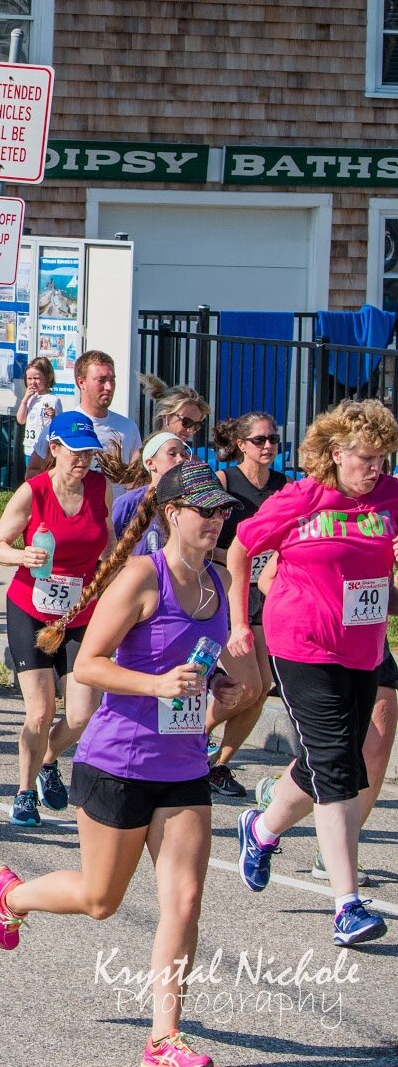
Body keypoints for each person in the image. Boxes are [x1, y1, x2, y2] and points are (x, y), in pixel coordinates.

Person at [0, 461, 247, 1067]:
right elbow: (89, 666)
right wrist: (156, 687)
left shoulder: (214, 583)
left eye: (222, 511)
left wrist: (221, 688)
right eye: (203, 510)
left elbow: (198, 661)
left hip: (182, 766)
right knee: (101, 900)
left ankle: (164, 1037)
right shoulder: (139, 577)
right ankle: (12, 894)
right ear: (171, 514)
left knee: (183, 901)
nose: (215, 520)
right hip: (118, 761)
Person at [229, 399, 398, 947]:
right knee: (335, 764)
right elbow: (241, 548)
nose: (376, 468)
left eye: (383, 458)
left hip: (362, 645)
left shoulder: (391, 498)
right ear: (335, 453)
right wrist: (238, 624)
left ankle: (261, 829)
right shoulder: (302, 498)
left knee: (332, 758)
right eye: (367, 458)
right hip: (301, 640)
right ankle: (346, 905)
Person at [0, 410, 112, 826]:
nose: (83, 460)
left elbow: (108, 546)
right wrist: (22, 555)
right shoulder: (33, 492)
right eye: (75, 452)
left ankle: (47, 761)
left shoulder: (99, 488)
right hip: (31, 609)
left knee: (82, 713)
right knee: (39, 711)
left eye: (89, 452)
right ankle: (23, 793)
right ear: (54, 449)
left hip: (81, 610)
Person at [204, 412, 289, 799]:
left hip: (265, 592)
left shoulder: (284, 487)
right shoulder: (223, 482)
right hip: (225, 589)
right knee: (248, 684)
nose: (268, 446)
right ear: (241, 445)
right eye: (259, 440)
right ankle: (192, 735)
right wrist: (236, 554)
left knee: (264, 685)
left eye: (273, 439)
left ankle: (217, 764)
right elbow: (198, 536)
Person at [28, 350, 142, 495]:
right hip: (77, 515)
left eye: (112, 380)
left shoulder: (128, 427)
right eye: (101, 380)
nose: (109, 387)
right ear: (81, 382)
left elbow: (137, 480)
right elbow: (33, 472)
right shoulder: (62, 427)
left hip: (116, 516)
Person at [15, 357, 64, 478]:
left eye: (36, 378)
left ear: (48, 377)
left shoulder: (53, 400)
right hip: (29, 446)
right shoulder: (31, 398)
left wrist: (54, 416)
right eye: (29, 379)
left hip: (44, 448)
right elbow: (21, 420)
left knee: (43, 476)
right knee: (31, 476)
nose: (32, 382)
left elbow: (58, 424)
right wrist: (25, 400)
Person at [140, 377, 209, 447]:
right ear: (166, 415)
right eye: (186, 422)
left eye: (196, 425)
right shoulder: (143, 455)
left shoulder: (191, 457)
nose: (190, 430)